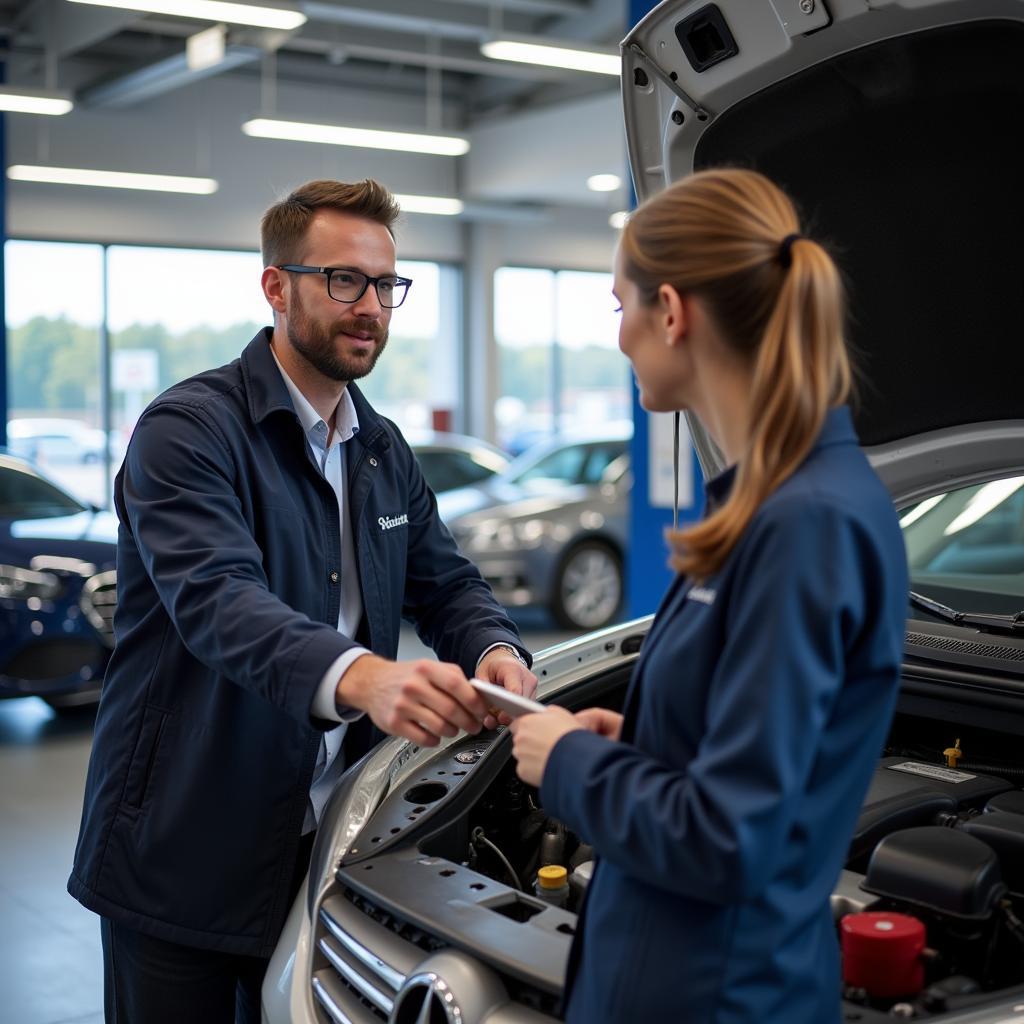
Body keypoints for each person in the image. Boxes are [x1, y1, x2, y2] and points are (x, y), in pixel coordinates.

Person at [68, 178, 536, 1024]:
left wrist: (496, 650)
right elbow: (217, 602)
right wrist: (364, 678)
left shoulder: (382, 450)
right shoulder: (189, 432)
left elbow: (449, 583)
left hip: (323, 844)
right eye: (342, 280)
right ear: (276, 286)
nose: (370, 308)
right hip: (183, 848)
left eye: (386, 285)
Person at [509, 168, 908, 1023]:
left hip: (718, 997)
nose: (618, 337)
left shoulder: (808, 525)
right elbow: (741, 754)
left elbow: (731, 838)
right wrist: (642, 742)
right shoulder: (761, 505)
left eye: (619, 306)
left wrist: (570, 763)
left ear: (672, 312)